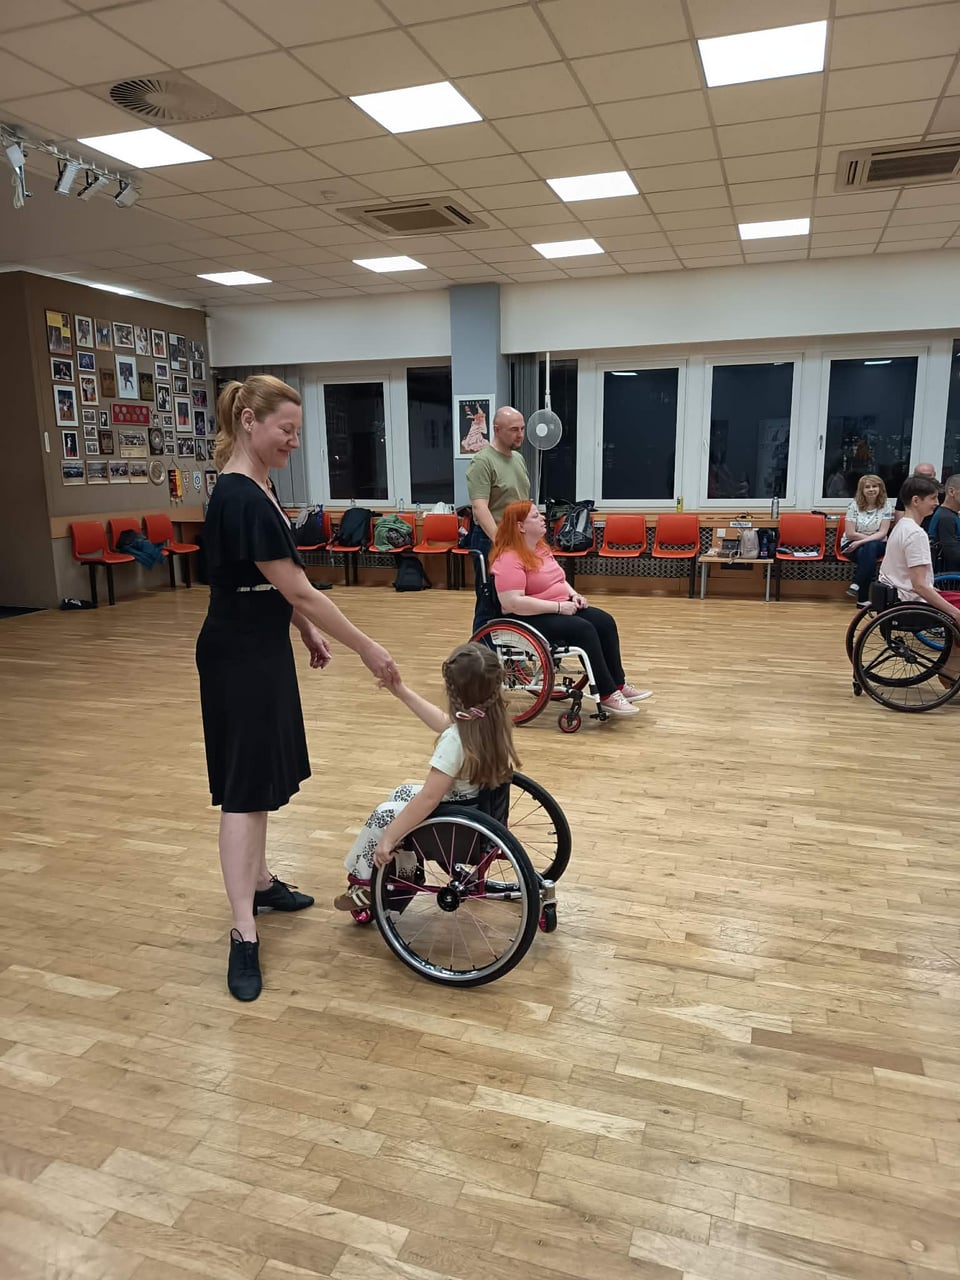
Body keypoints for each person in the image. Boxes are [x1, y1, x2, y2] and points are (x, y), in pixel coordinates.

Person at [196, 374, 398, 1002]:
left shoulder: (259, 484)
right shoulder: (240, 495)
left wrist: (304, 630)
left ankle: (259, 882)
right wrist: (366, 646)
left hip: (261, 646)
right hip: (238, 657)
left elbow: (265, 581)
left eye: (297, 431)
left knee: (260, 776)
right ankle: (243, 930)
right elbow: (299, 588)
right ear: (249, 421)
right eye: (285, 429)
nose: (293, 441)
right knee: (243, 791)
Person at [333, 642, 519, 913]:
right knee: (401, 793)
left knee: (385, 815)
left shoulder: (455, 741)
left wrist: (388, 839)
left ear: (453, 692)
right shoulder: (490, 721)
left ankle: (364, 883)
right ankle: (406, 871)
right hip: (478, 810)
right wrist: (400, 690)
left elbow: (429, 798)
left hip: (454, 827)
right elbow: (444, 722)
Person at [490, 501, 651, 716]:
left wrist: (574, 595)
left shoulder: (541, 549)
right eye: (535, 516)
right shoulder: (509, 558)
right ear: (520, 526)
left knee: (604, 621)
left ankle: (618, 684)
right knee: (583, 629)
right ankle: (607, 693)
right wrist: (558, 607)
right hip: (529, 616)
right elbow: (512, 603)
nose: (543, 518)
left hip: (557, 607)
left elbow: (559, 580)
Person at [879, 474, 960, 686]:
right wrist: (954, 613)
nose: (937, 503)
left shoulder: (901, 527)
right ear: (916, 500)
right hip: (912, 603)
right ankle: (951, 671)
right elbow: (920, 586)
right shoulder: (916, 534)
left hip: (898, 596)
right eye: (933, 498)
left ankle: (951, 667)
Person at [465, 406, 530, 631]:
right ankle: (480, 650)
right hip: (491, 540)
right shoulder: (482, 461)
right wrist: (500, 541)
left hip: (519, 538)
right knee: (489, 601)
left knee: (516, 601)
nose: (520, 434)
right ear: (496, 429)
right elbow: (479, 507)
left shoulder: (518, 459)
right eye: (514, 429)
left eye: (522, 429)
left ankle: (512, 647)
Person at [841, 473, 894, 606]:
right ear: (862, 490)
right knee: (866, 553)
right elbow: (850, 534)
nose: (871, 489)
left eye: (874, 486)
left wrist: (861, 541)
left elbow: (883, 532)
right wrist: (870, 539)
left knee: (870, 548)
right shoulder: (853, 505)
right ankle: (862, 600)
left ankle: (857, 583)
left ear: (880, 488)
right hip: (851, 544)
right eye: (867, 487)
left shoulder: (886, 505)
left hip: (873, 544)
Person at [927, 473, 960, 573]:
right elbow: (954, 555)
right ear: (951, 491)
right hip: (950, 575)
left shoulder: (950, 515)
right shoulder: (946, 518)